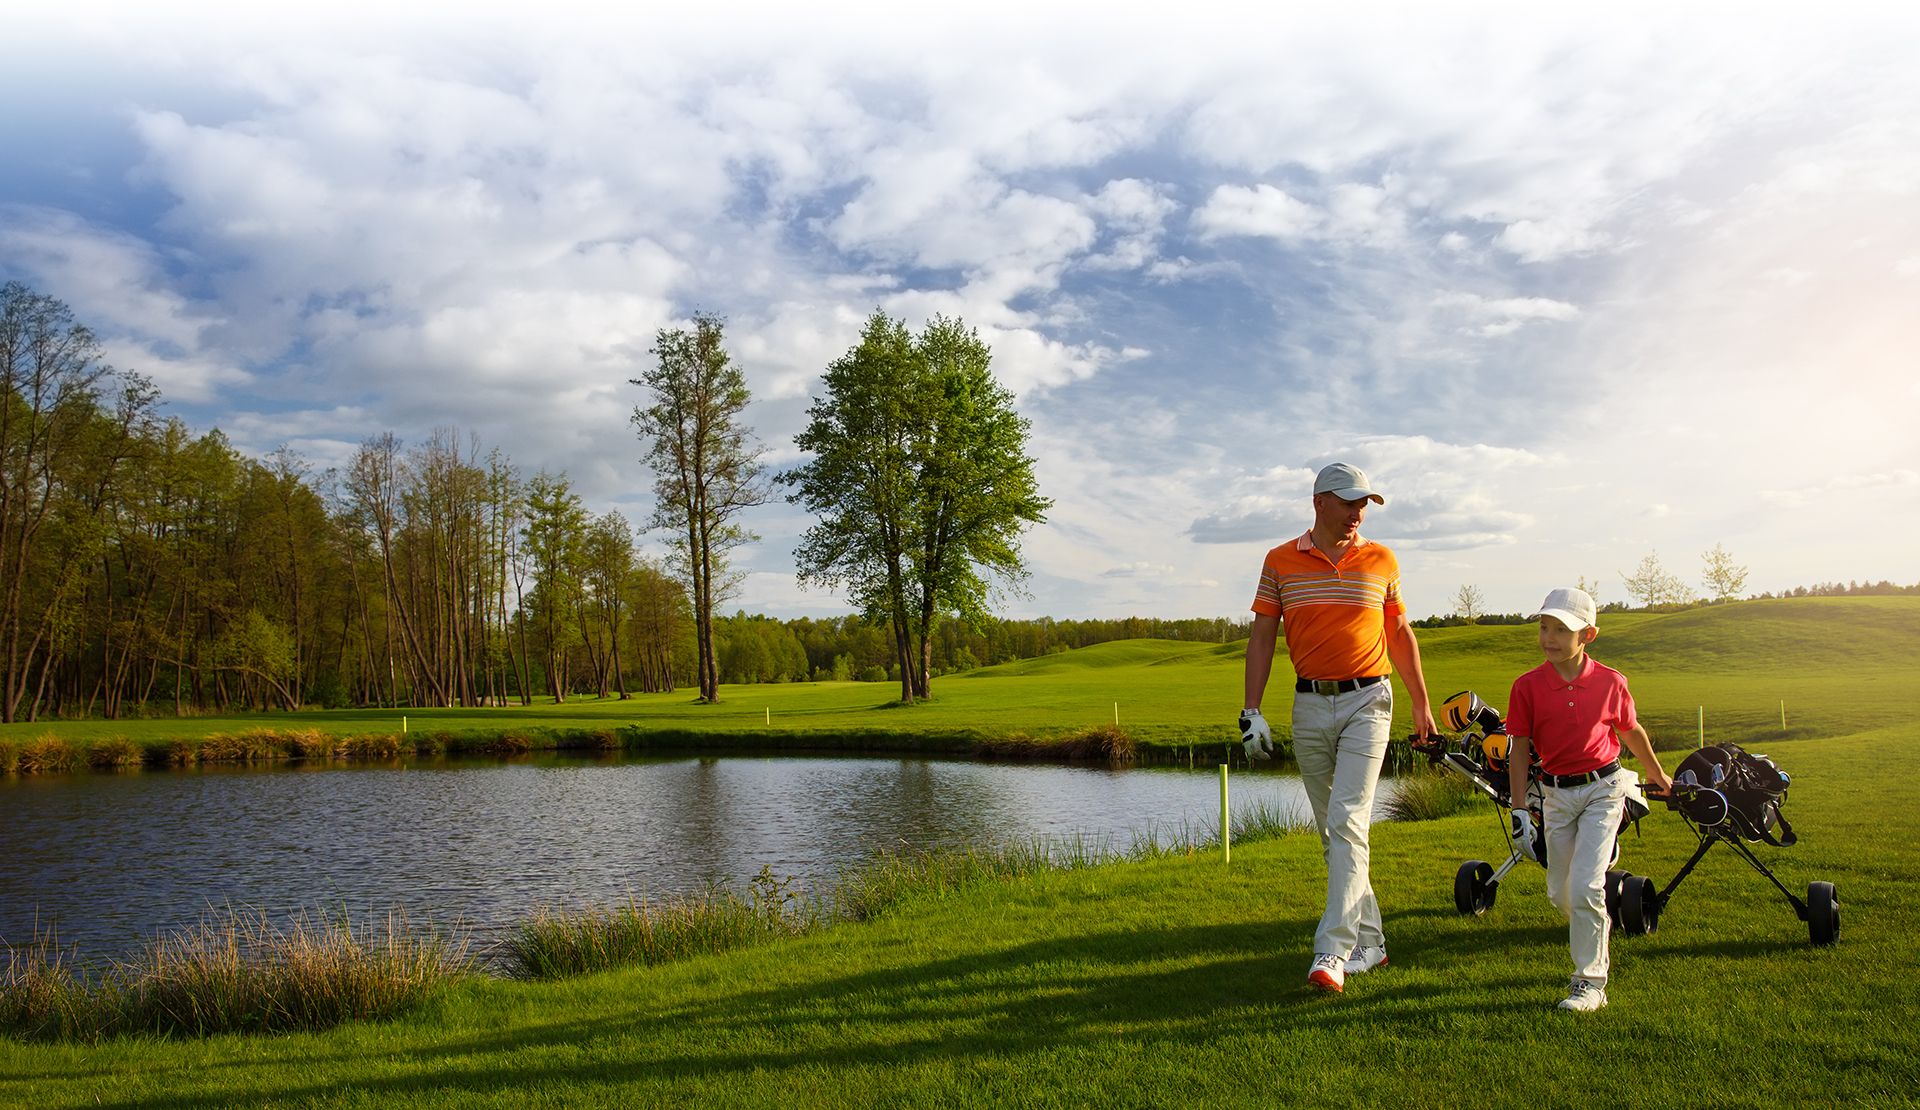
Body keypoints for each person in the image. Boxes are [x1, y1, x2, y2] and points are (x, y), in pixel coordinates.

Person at [1239, 462, 1436, 993]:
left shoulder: (1381, 559)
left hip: (1369, 700)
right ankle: (1373, 945)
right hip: (1309, 704)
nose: (1357, 513)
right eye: (1349, 502)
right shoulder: (1279, 561)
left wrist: (1421, 704)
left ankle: (1332, 951)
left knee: (1348, 821)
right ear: (1319, 502)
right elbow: (1262, 637)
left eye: (1364, 503)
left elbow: (1399, 632)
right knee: (1335, 835)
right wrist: (1251, 709)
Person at [1504, 586, 1673, 1013]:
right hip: (1557, 796)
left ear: (1588, 635)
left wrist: (1656, 774)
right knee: (1560, 893)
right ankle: (1595, 890)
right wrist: (1520, 806)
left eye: (1561, 629)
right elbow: (1520, 749)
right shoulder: (1526, 687)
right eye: (1544, 627)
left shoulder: (1610, 682)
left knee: (1585, 887)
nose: (1548, 638)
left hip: (1604, 788)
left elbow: (1630, 731)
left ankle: (1590, 982)